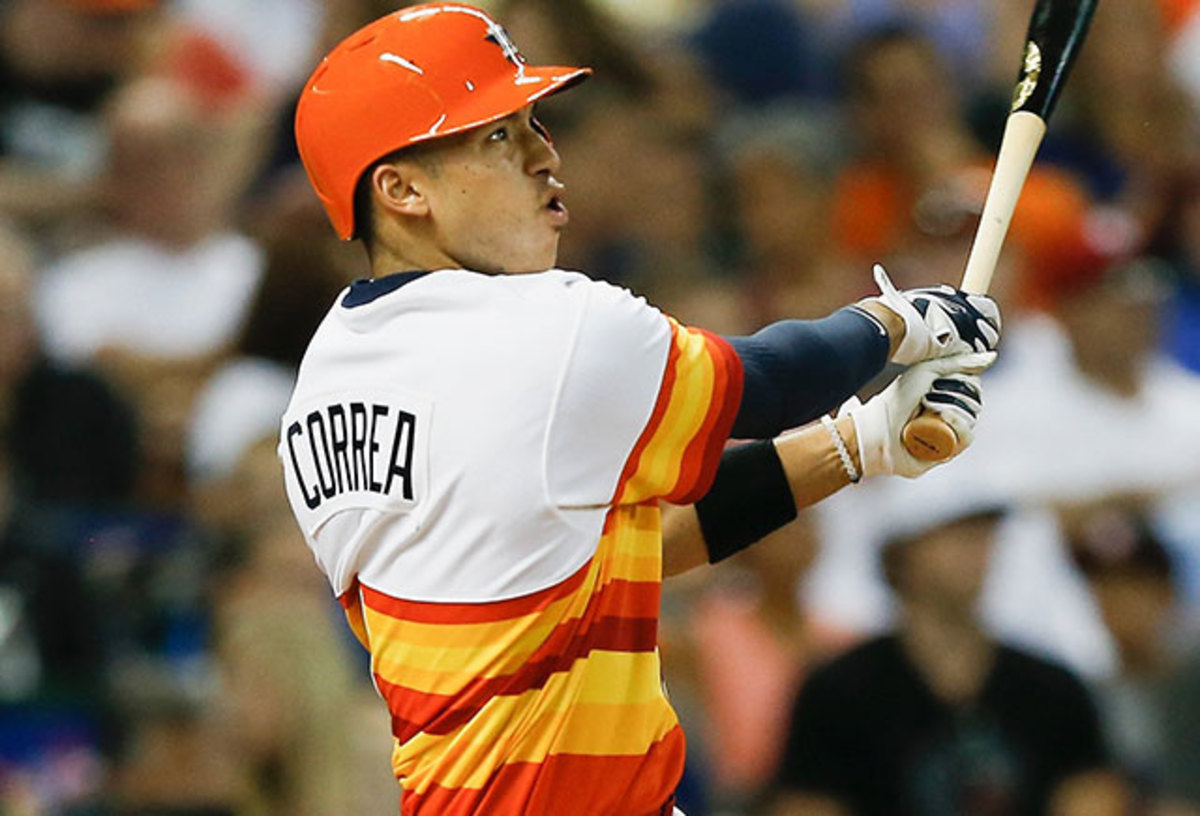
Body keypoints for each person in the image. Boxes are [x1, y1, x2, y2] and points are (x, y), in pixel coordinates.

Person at [280, 5, 1001, 814]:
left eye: (534, 124)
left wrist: (859, 443)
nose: (545, 154)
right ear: (402, 188)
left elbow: (612, 559)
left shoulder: (320, 390)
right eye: (498, 136)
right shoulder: (543, 326)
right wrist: (899, 321)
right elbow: (770, 384)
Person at [772, 503, 1130, 816]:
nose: (979, 551)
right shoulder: (838, 691)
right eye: (958, 535)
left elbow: (1093, 793)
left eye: (984, 534)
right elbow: (807, 804)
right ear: (903, 550)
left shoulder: (1051, 687)